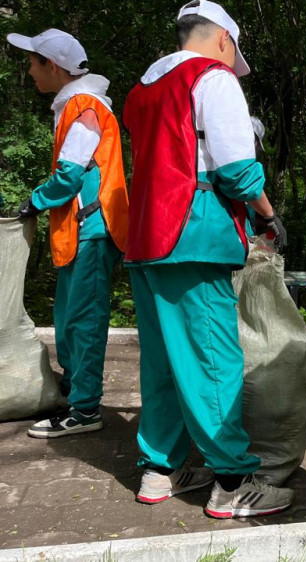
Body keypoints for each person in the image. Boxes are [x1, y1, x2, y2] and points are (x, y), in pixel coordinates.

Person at [122, 0, 291, 518]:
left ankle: (161, 470)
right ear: (223, 39)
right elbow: (238, 168)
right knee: (213, 357)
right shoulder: (214, 80)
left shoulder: (141, 91)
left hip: (146, 235)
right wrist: (267, 215)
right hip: (193, 232)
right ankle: (233, 480)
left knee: (164, 361)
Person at [8, 29, 129, 438]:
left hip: (93, 231)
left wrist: (34, 201)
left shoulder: (84, 106)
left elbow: (70, 174)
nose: (29, 69)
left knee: (83, 322)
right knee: (68, 320)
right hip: (81, 232)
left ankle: (84, 409)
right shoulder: (75, 105)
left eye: (33, 61)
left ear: (53, 66)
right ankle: (75, 390)